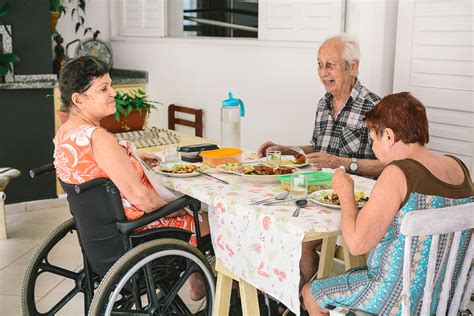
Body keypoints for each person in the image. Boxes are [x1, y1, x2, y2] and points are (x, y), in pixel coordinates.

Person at [301, 92, 473, 315]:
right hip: (444, 297)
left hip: (395, 297)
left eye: (373, 139)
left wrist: (345, 193)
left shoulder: (397, 173)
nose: (373, 147)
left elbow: (356, 244)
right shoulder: (459, 166)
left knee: (311, 294)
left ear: (389, 136)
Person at [53, 56, 209, 301]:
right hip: (137, 233)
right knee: (208, 219)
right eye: (103, 89)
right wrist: (179, 210)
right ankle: (207, 282)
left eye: (110, 85)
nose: (113, 93)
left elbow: (95, 168)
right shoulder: (98, 138)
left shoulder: (65, 135)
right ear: (78, 99)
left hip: (102, 237)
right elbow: (143, 200)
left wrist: (132, 156)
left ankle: (198, 277)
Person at [260, 34, 385, 297]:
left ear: (353, 67)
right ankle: (291, 297)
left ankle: (303, 299)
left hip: (356, 199)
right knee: (280, 226)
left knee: (301, 241)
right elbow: (317, 148)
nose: (323, 73)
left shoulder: (374, 106)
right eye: (319, 64)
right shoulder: (323, 103)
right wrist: (287, 149)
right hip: (320, 193)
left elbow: (385, 165)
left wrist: (342, 164)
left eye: (330, 65)